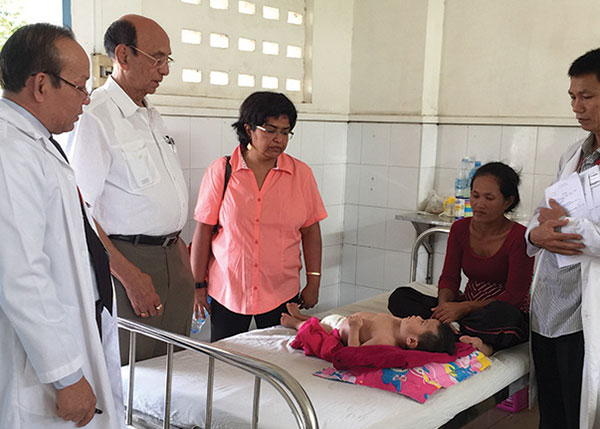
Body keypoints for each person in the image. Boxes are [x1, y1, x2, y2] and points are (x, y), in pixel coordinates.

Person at [0, 23, 124, 429]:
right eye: (80, 85)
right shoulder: (9, 152)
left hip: (70, 335)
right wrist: (66, 375)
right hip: (41, 370)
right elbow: (20, 274)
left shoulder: (38, 143)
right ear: (40, 84)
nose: (87, 99)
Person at [67, 15, 194, 364]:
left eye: (167, 59)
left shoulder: (151, 116)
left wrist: (178, 252)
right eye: (157, 58)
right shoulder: (96, 116)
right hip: (127, 262)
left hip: (172, 258)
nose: (164, 69)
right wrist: (129, 275)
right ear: (123, 55)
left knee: (176, 367)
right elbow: (79, 211)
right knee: (132, 372)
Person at [192, 91, 327, 342]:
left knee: (281, 362)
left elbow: (311, 232)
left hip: (281, 291)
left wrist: (314, 281)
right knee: (228, 363)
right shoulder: (222, 170)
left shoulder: (301, 174)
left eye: (285, 132)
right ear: (248, 129)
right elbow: (203, 232)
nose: (278, 139)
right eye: (270, 130)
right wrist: (198, 287)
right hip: (229, 290)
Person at [526, 48, 600, 429]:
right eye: (572, 96)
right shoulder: (574, 154)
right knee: (552, 415)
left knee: (582, 418)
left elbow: (565, 222)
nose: (576, 106)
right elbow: (540, 216)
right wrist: (534, 235)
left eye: (586, 96)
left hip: (587, 312)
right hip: (550, 304)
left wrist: (576, 230)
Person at [388, 162, 534, 356]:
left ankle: (450, 335)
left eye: (489, 198)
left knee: (505, 318)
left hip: (499, 313)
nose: (479, 203)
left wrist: (463, 308)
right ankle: (455, 332)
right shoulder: (460, 229)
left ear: (508, 202)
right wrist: (443, 309)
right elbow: (449, 277)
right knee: (400, 297)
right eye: (475, 195)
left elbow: (514, 296)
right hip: (466, 309)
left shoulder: (520, 238)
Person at [281, 303, 456, 353]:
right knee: (322, 320)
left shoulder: (385, 340)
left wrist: (355, 329)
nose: (418, 317)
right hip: (342, 320)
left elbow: (354, 352)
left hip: (340, 329)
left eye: (422, 322)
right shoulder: (400, 323)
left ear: (411, 341)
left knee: (316, 329)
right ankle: (301, 315)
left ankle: (294, 322)